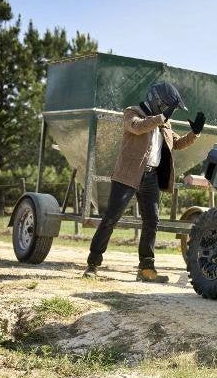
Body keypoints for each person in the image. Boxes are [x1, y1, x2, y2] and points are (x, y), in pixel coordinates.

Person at [83, 82, 206, 282]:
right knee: (111, 218)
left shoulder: (165, 123)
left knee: (152, 221)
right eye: (167, 107)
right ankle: (93, 264)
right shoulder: (133, 112)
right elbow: (137, 128)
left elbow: (176, 144)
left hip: (151, 177)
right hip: (128, 175)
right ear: (157, 101)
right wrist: (161, 117)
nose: (168, 112)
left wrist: (195, 133)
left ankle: (146, 270)